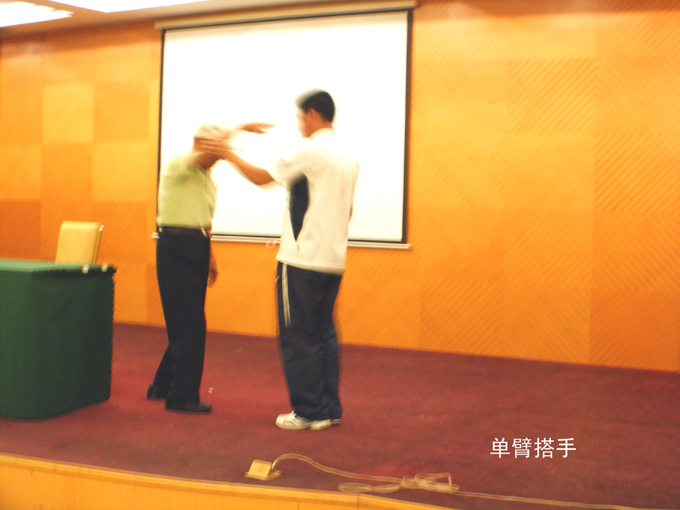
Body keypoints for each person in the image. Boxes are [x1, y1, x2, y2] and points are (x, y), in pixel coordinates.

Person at [203, 90, 360, 430]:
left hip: (301, 261)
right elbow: (347, 211)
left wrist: (229, 154)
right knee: (324, 335)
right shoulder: (348, 155)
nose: (300, 124)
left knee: (298, 336)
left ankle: (308, 411)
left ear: (313, 114)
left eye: (301, 117)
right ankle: (329, 408)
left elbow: (262, 178)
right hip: (333, 260)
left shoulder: (310, 149)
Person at [148, 122, 269, 413]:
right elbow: (209, 154)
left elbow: (204, 220)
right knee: (190, 324)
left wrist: (210, 255)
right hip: (176, 245)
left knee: (186, 321)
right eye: (217, 151)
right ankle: (182, 397)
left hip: (197, 245)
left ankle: (162, 386)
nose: (220, 157)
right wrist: (240, 129)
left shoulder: (208, 178)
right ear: (200, 143)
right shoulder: (180, 164)